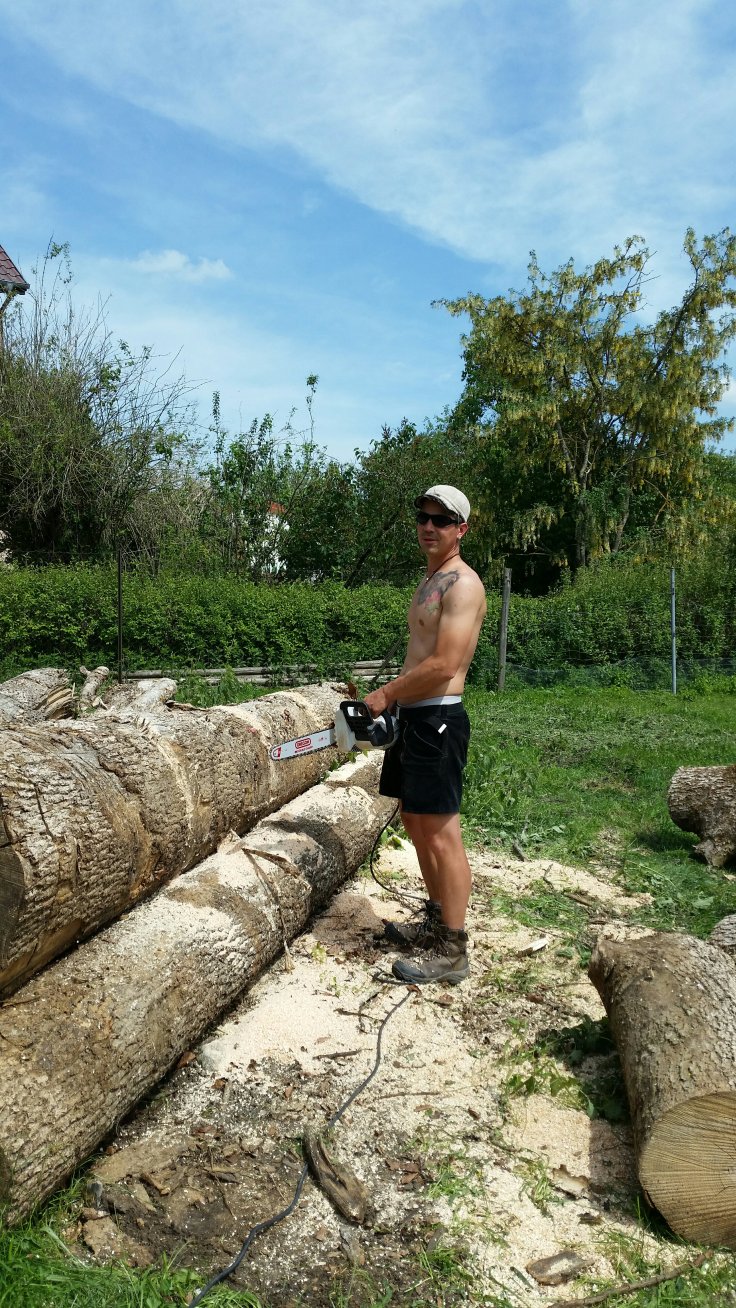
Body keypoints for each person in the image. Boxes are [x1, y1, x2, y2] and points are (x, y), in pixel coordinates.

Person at [363, 485, 486, 985]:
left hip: (439, 719)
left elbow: (444, 664)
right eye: (423, 517)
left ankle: (452, 951)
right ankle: (436, 924)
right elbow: (419, 655)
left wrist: (386, 693)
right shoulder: (430, 579)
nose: (429, 526)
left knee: (441, 832)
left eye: (442, 520)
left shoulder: (464, 585)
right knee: (415, 822)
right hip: (415, 719)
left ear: (461, 529)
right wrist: (397, 703)